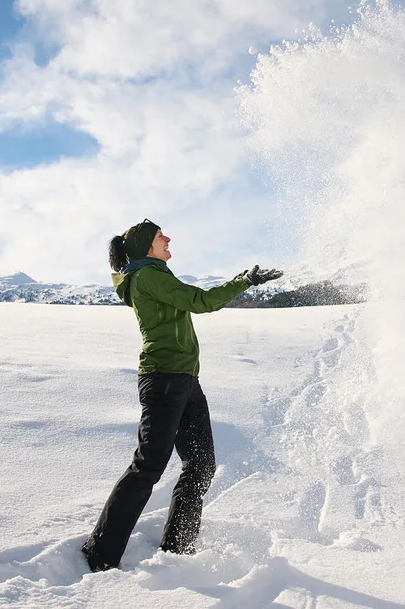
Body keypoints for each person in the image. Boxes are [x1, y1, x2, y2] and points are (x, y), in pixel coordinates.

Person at [82, 218, 282, 572]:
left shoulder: (154, 274)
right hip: (164, 380)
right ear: (146, 246)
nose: (168, 238)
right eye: (161, 236)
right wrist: (243, 281)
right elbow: (201, 301)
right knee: (148, 467)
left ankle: (178, 546)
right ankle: (100, 553)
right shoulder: (147, 277)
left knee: (201, 465)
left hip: (185, 380)